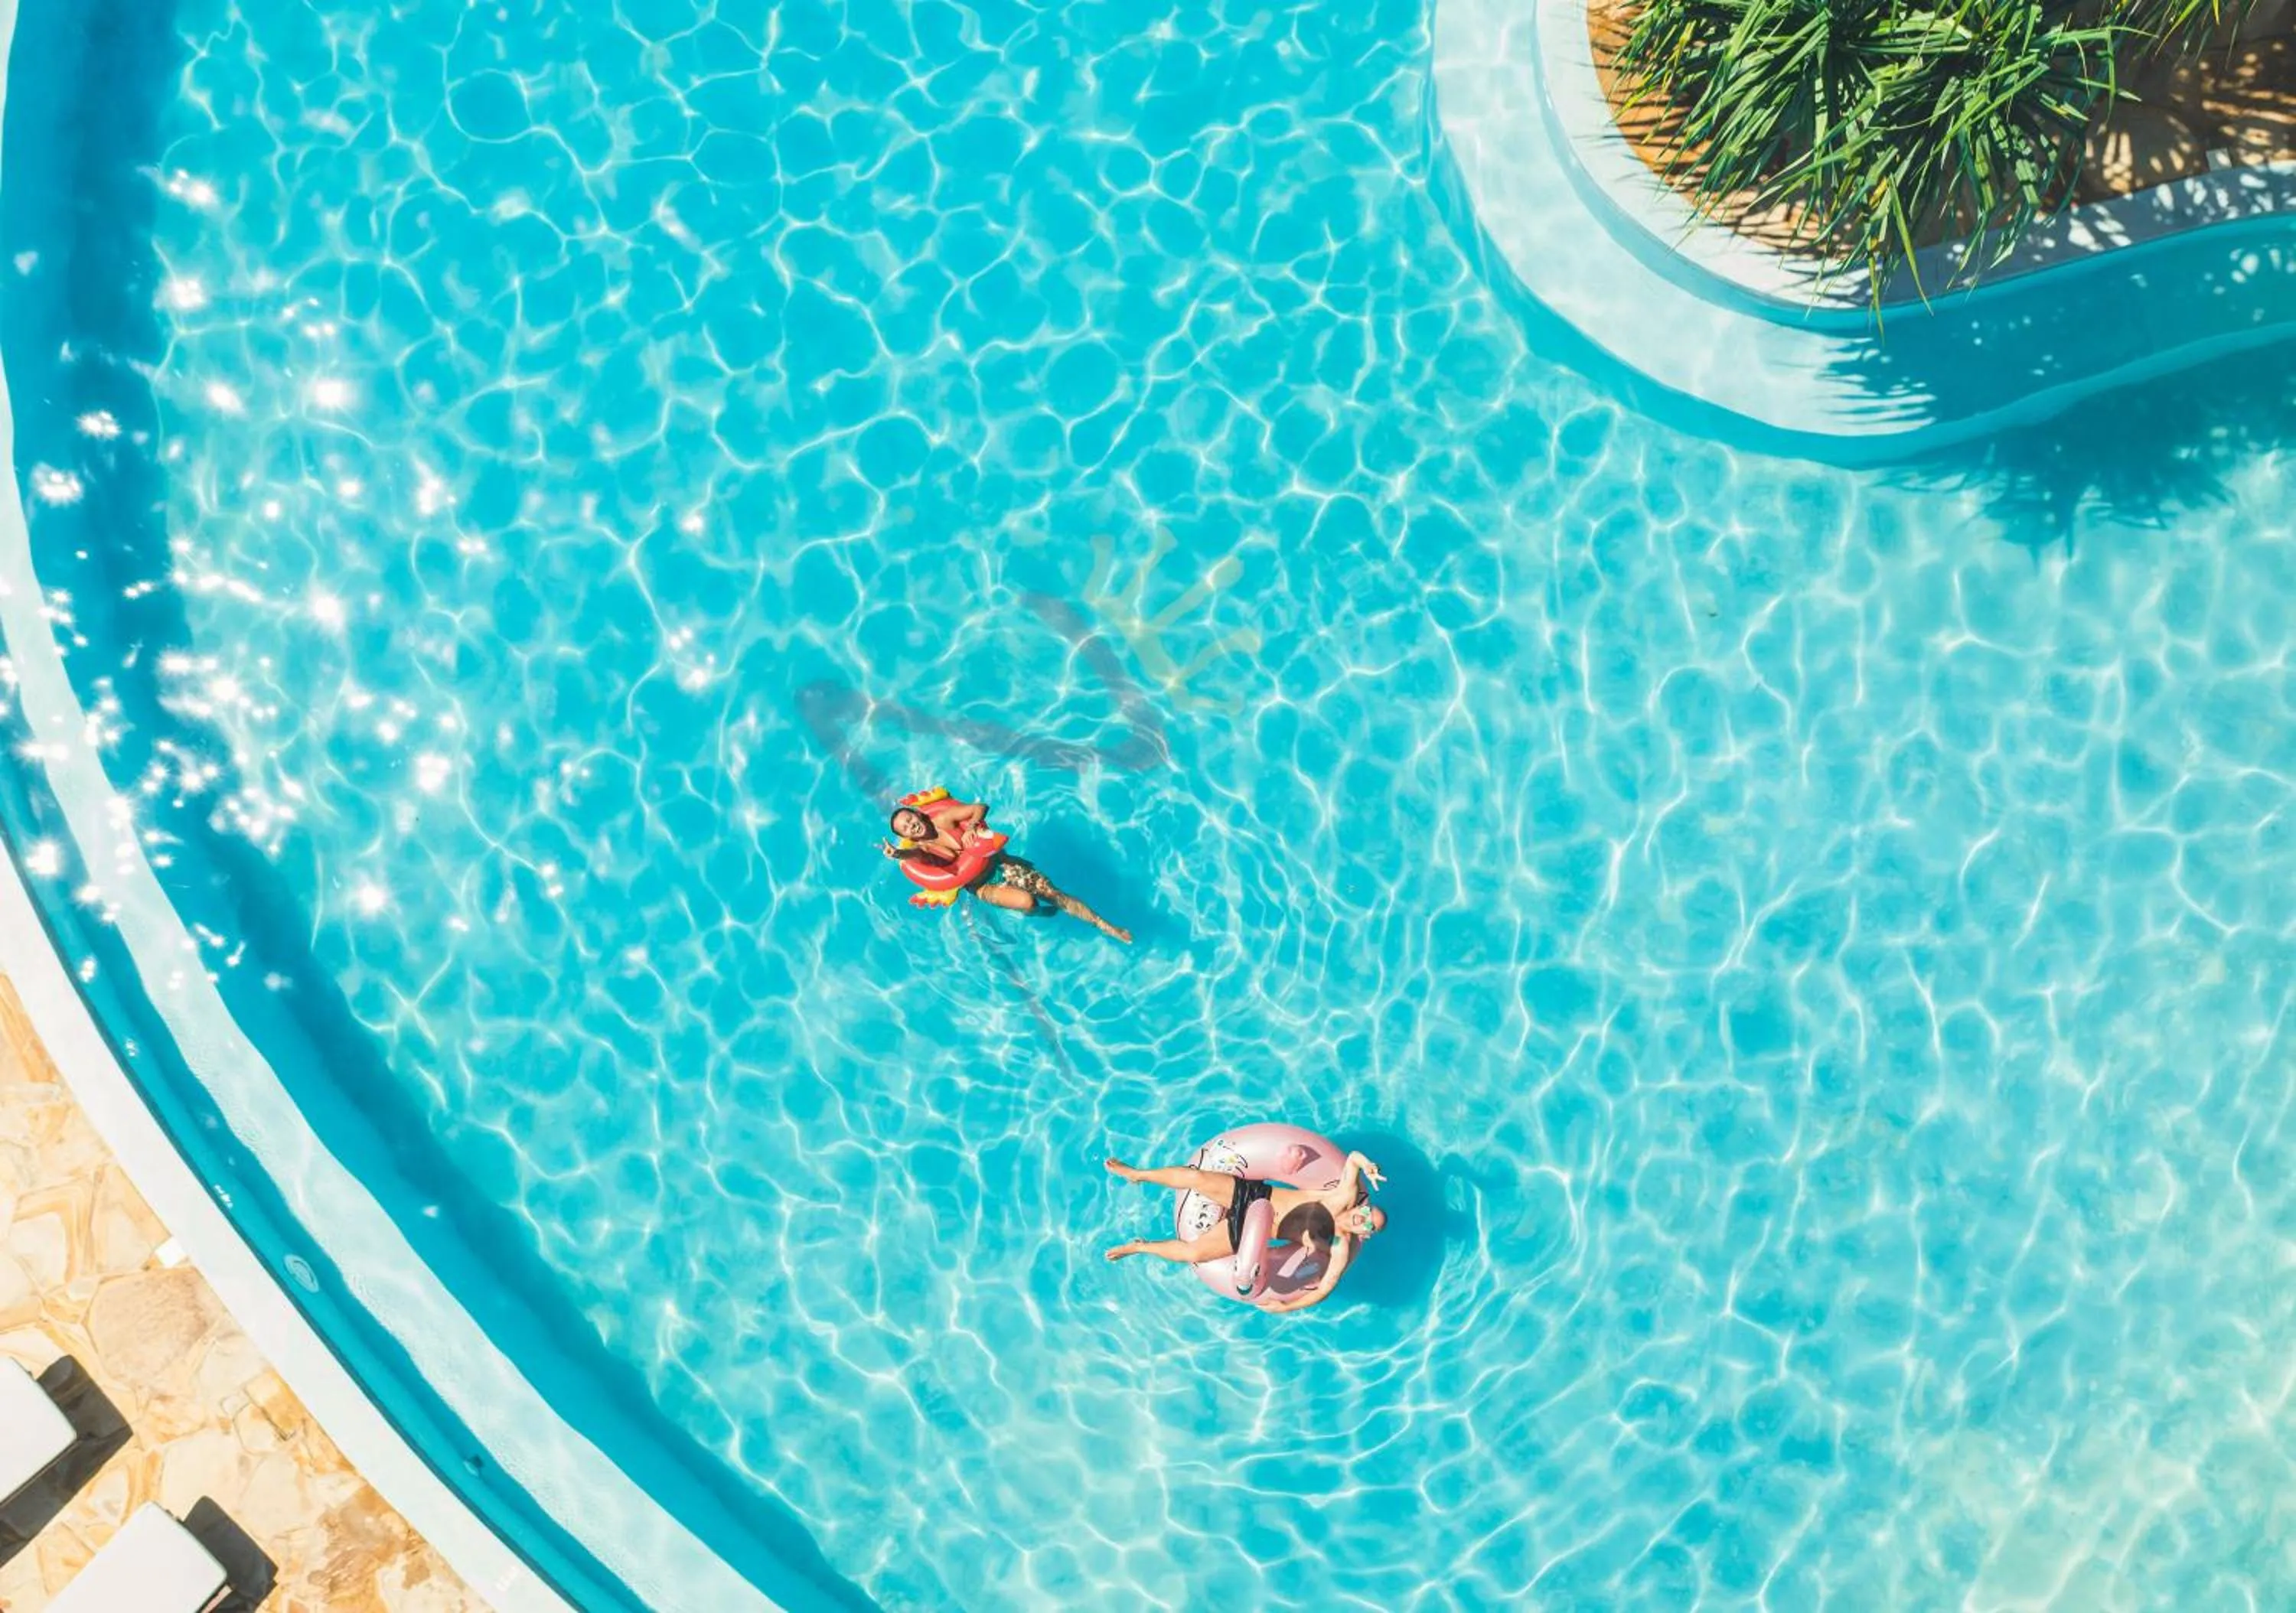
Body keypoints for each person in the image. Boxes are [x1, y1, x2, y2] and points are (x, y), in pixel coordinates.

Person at [1101, 1150, 1386, 1312]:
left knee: (1194, 1253)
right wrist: (1369, 1166)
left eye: (1369, 1225)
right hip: (1256, 1197)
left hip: (1251, 1233)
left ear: (1367, 1234)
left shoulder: (1338, 1245)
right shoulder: (1342, 1197)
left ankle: (1139, 1246)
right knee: (1196, 1177)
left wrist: (1286, 1307)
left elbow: (1325, 1288)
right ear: (1362, 1206)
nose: (1361, 1220)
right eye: (1366, 1213)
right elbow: (1353, 1159)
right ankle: (1137, 1175)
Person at [886, 794, 1131, 943]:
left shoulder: (944, 819)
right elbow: (914, 855)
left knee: (1054, 894)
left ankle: (1107, 927)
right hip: (983, 886)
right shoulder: (922, 849)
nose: (911, 826)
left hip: (1003, 864)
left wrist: (972, 827)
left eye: (910, 820)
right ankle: (1037, 914)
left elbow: (980, 807)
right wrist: (899, 854)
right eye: (905, 828)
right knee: (1028, 903)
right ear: (906, 836)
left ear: (918, 815)